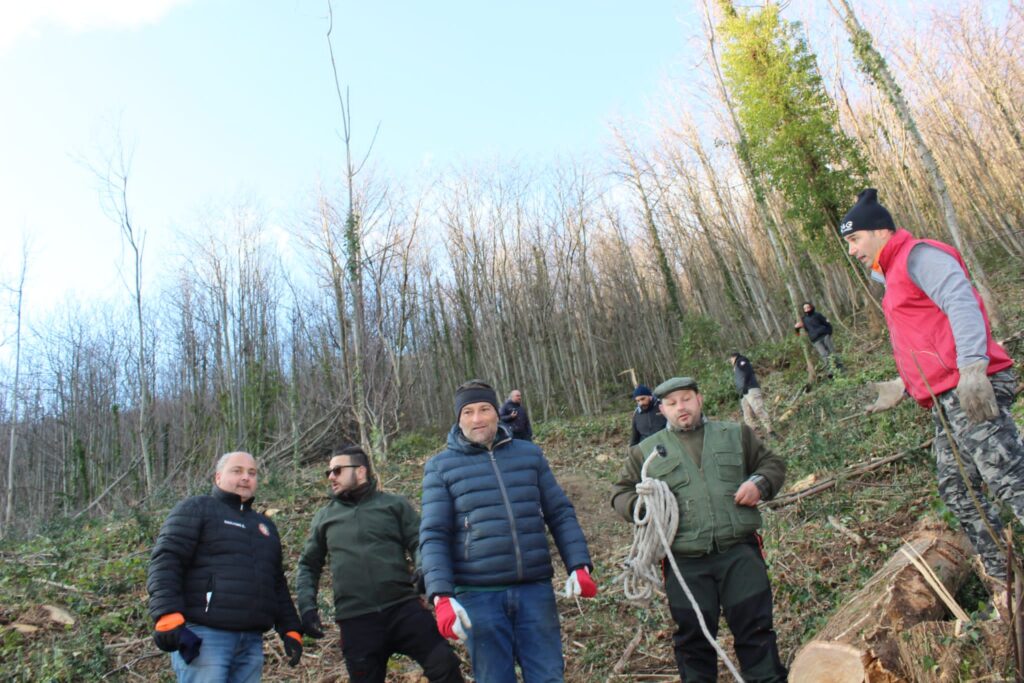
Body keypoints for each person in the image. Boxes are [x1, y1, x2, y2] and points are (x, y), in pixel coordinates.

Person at [841, 187, 1024, 611]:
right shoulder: (892, 278)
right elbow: (927, 339)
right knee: (958, 490)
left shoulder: (919, 256)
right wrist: (905, 385)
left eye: (855, 239)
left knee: (1009, 478)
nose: (852, 250)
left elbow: (960, 302)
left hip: (970, 387)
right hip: (945, 397)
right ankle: (1005, 580)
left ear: (881, 231)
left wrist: (974, 365)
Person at [611, 376, 788, 683]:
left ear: (699, 400)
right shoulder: (646, 452)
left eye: (686, 399)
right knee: (693, 639)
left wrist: (759, 483)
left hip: (739, 553)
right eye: (672, 403)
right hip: (684, 561)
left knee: (756, 629)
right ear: (662, 410)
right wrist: (642, 508)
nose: (681, 407)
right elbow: (620, 494)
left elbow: (771, 464)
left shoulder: (735, 434)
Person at [420, 380, 597, 683]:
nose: (477, 419)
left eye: (484, 409)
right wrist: (441, 595)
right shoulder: (440, 467)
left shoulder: (529, 455)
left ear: (497, 413)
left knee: (548, 676)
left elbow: (559, 512)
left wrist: (578, 564)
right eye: (468, 412)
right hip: (478, 596)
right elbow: (434, 534)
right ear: (458, 419)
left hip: (534, 590)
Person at [295, 446, 464, 683]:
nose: (331, 476)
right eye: (329, 472)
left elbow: (420, 541)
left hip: (404, 608)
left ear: (361, 471)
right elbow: (308, 566)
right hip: (356, 619)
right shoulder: (325, 517)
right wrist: (307, 607)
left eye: (337, 470)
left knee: (445, 666)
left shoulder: (393, 505)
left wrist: (423, 567)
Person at [147, 451, 303, 682]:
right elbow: (167, 559)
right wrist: (167, 614)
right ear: (218, 477)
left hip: (251, 640)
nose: (246, 478)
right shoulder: (197, 508)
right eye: (237, 470)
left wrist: (290, 628)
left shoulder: (264, 526)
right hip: (206, 635)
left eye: (252, 473)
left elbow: (276, 581)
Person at [728, 351, 773, 436]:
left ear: (733, 357)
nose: (730, 362)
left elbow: (746, 373)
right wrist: (741, 391)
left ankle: (770, 430)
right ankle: (756, 433)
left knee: (758, 409)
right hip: (743, 392)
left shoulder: (742, 361)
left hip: (750, 389)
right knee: (747, 415)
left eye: (730, 359)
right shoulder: (736, 366)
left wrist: (744, 386)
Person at [795, 301, 844, 376]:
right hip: (815, 340)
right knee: (824, 354)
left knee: (832, 351)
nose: (807, 309)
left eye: (808, 307)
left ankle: (840, 367)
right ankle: (830, 371)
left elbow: (827, 323)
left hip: (824, 336)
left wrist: (829, 332)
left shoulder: (817, 315)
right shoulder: (804, 319)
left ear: (811, 307)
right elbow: (798, 333)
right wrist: (796, 328)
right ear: (804, 310)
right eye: (805, 308)